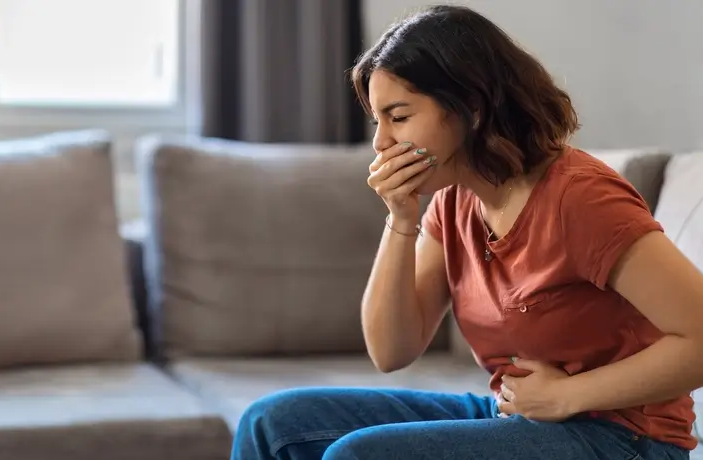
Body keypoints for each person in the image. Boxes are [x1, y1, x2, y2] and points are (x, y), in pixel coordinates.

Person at [230, 5, 703, 459]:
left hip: (625, 440)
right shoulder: (455, 200)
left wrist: (567, 396)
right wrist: (401, 217)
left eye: (398, 117)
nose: (380, 143)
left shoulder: (580, 200)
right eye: (378, 122)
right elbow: (392, 350)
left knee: (359, 454)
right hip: (521, 418)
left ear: (470, 108)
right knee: (270, 423)